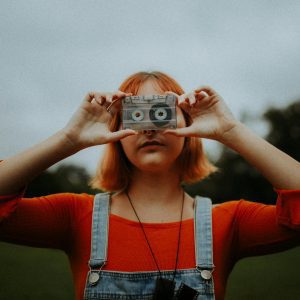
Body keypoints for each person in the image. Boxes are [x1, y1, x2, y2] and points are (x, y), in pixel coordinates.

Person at [0, 71, 300, 300]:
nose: (149, 126)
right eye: (135, 113)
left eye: (162, 110)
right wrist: (68, 139)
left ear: (189, 122)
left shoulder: (229, 221)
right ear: (115, 131)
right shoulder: (76, 215)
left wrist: (232, 131)